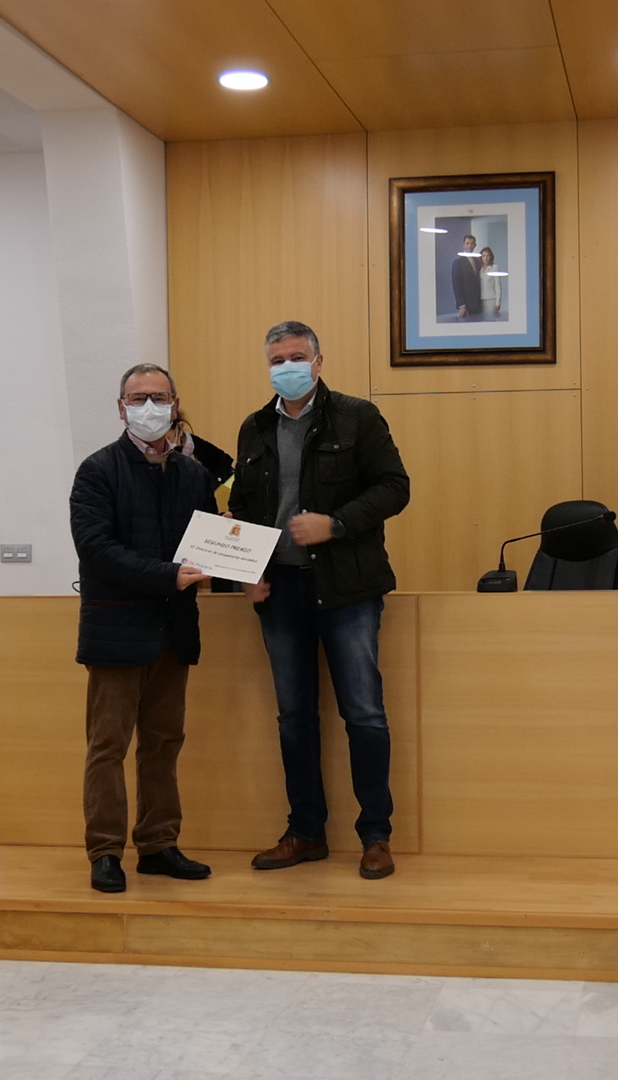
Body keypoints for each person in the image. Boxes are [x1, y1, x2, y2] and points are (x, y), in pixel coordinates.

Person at [230, 321, 411, 879]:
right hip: (279, 590)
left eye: (296, 356)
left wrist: (335, 524)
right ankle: (305, 832)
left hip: (347, 589)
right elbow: (242, 505)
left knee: (364, 713)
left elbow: (394, 487)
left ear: (318, 361)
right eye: (276, 359)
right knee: (294, 717)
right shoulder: (255, 427)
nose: (286, 367)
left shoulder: (358, 417)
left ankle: (376, 835)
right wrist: (246, 572)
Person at [68, 363, 217, 894]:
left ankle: (158, 844)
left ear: (175, 405)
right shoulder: (97, 470)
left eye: (159, 397)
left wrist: (235, 558)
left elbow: (207, 545)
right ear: (121, 407)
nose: (149, 406)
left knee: (163, 743)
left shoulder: (193, 474)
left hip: (174, 632)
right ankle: (106, 851)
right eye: (138, 398)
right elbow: (97, 549)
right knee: (108, 746)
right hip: (116, 630)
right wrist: (167, 575)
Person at [451, 233, 482, 321]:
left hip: (479, 304)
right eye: (467, 243)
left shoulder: (478, 261)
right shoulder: (458, 262)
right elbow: (456, 285)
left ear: (475, 245)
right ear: (463, 245)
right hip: (466, 305)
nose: (469, 246)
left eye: (472, 243)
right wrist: (462, 305)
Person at [479, 247, 503, 320]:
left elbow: (498, 285)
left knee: (490, 319)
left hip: (491, 299)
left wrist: (498, 302)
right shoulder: (480, 269)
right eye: (483, 256)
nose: (485, 258)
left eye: (488, 255)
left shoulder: (494, 268)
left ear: (491, 257)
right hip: (480, 299)